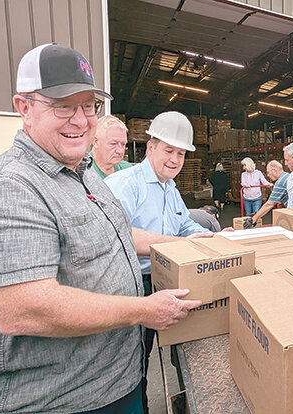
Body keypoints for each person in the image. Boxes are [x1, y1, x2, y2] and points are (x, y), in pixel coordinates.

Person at [0, 44, 200, 414]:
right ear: (23, 107)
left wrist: (191, 243)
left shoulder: (84, 174)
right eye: (63, 106)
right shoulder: (3, 188)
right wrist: (143, 310)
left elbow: (122, 236)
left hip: (116, 383)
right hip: (57, 400)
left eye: (89, 106)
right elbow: (24, 309)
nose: (80, 119)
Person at [104, 111, 213, 412]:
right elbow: (121, 234)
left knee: (157, 353)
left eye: (181, 153)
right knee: (131, 364)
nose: (175, 159)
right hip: (131, 287)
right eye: (169, 150)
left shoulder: (171, 189)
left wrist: (215, 237)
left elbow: (185, 226)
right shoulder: (125, 185)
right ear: (150, 148)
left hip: (162, 282)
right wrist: (182, 243)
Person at [251, 160, 290, 225]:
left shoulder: (280, 182)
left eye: (268, 172)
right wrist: (258, 214)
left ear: (274, 171)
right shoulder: (287, 175)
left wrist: (253, 219)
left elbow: (269, 204)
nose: (268, 175)